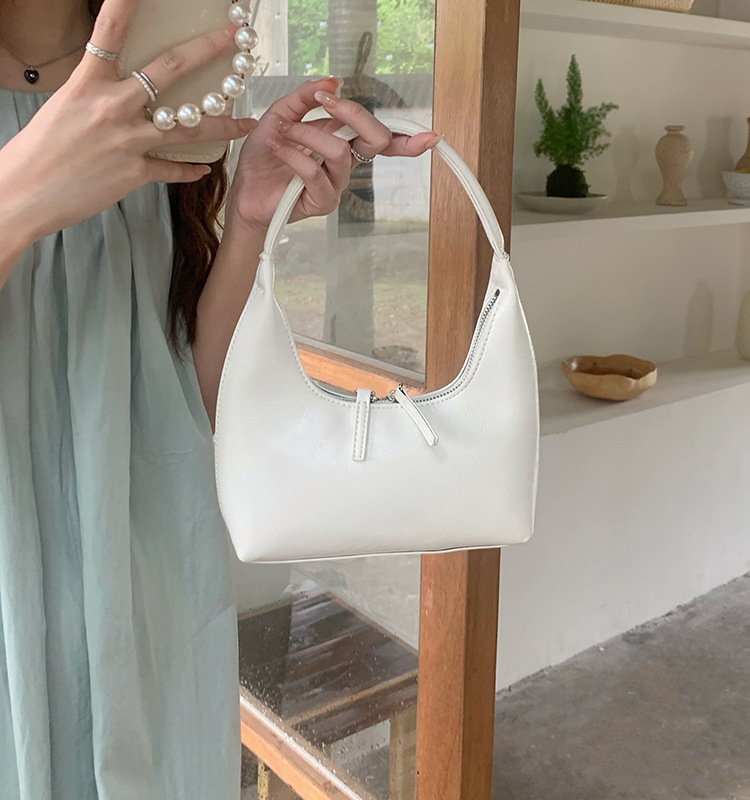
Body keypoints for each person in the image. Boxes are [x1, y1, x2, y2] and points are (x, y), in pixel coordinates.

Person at [0, 0, 441, 797]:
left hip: (147, 592)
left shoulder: (166, 73)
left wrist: (247, 224)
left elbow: (179, 406)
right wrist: (15, 201)